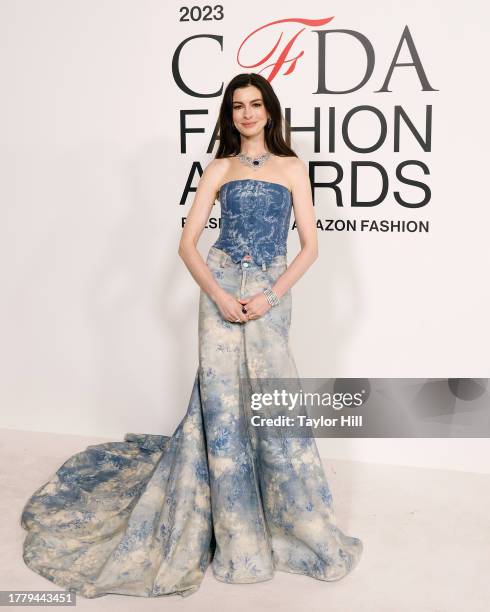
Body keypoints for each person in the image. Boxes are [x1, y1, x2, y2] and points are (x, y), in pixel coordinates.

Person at [20, 73, 363, 599]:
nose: (247, 113)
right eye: (237, 106)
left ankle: (296, 525)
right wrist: (220, 296)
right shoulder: (220, 168)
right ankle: (236, 538)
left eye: (255, 104)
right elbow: (188, 244)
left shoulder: (293, 167)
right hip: (221, 294)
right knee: (222, 409)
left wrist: (271, 294)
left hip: (271, 293)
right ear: (229, 116)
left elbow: (311, 247)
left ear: (269, 111)